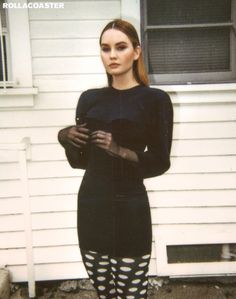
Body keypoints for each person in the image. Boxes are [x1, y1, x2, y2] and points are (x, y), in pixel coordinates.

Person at [58, 19, 173, 299]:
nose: (112, 55)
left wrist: (120, 150)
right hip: (92, 206)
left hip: (131, 210)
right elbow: (80, 161)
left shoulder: (155, 100)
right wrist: (64, 137)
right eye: (105, 48)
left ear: (136, 51)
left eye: (120, 47)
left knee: (131, 293)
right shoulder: (89, 99)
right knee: (104, 293)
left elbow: (160, 161)